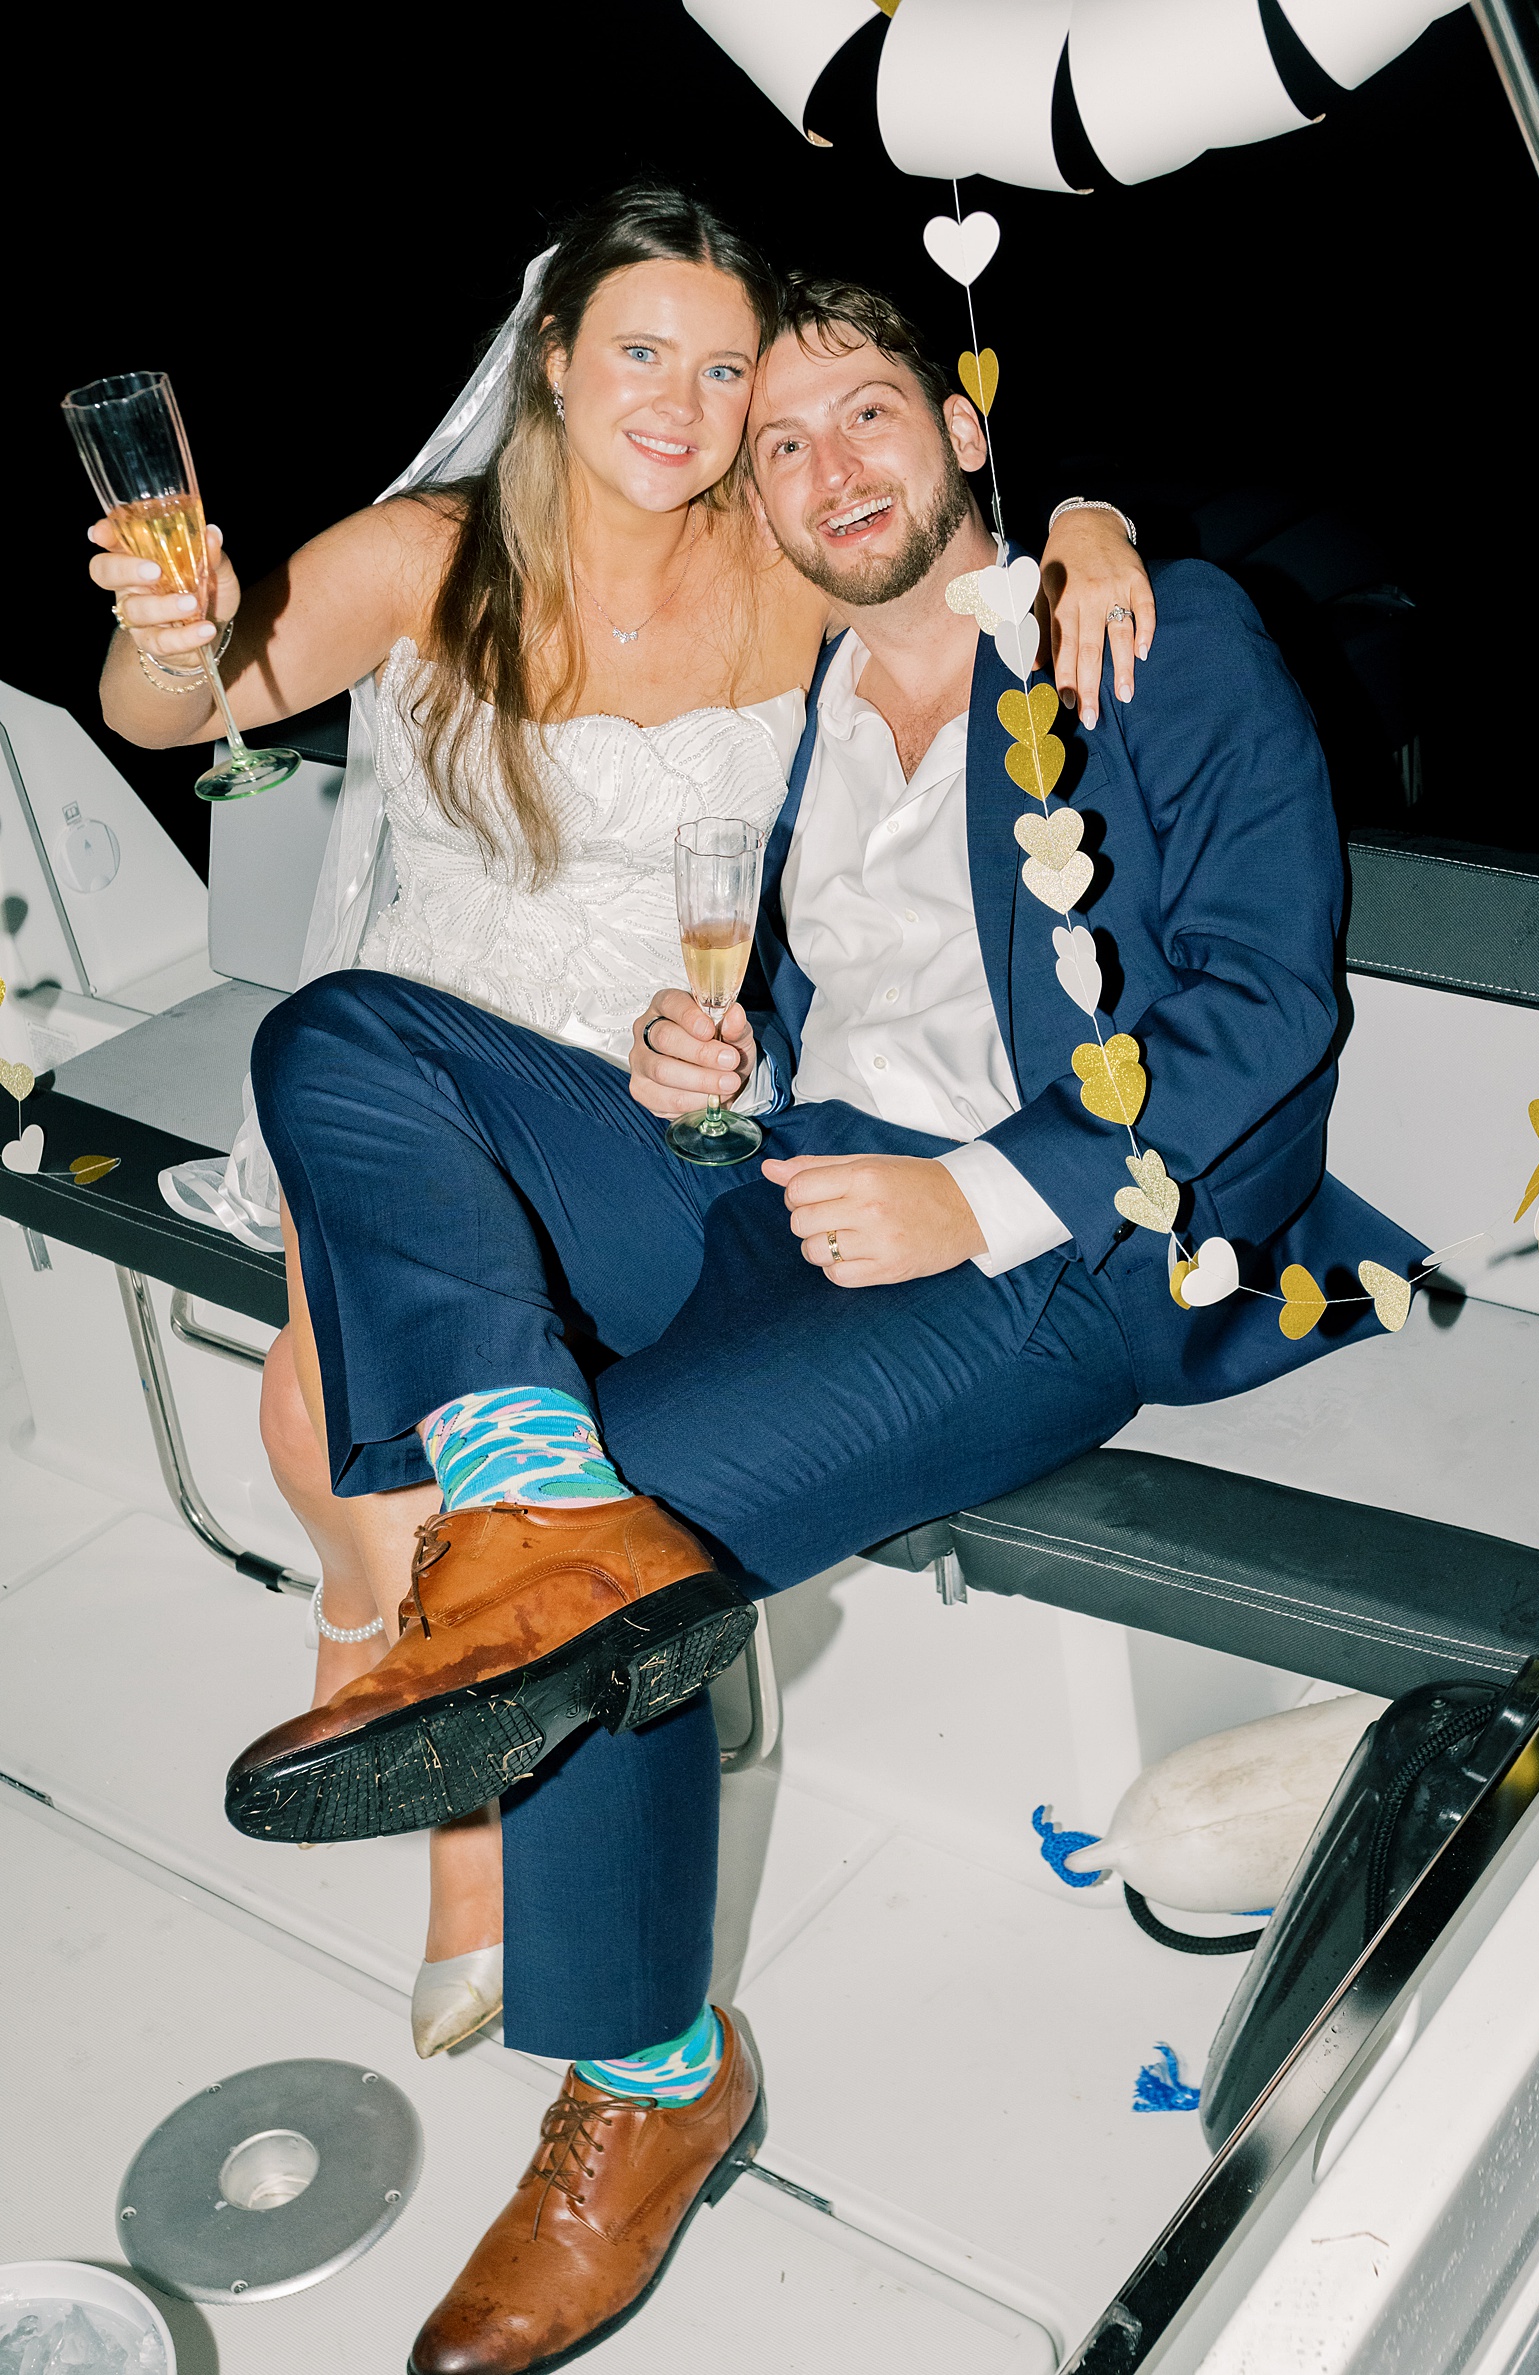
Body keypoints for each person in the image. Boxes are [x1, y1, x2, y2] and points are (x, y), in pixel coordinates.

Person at [224, 269, 1422, 2372]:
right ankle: (512, 1482)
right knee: (347, 1043)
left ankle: (653, 2079)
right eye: (776, 445)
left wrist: (962, 1195)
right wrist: (727, 1070)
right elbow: (833, 1005)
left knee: (637, 1517)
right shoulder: (799, 710)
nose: (818, 468)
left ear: (967, 433)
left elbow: (1258, 1011)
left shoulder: (1133, 630)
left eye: (862, 415)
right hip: (779, 1180)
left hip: (1056, 1252)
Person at [84, 183, 1151, 2059]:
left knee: (376, 1423)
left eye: (726, 367)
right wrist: (174, 635)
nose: (686, 398)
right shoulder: (436, 552)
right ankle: (447, 1767)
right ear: (553, 363)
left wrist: (1089, 518)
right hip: (426, 1084)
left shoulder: (774, 552)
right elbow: (195, 708)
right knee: (332, 1414)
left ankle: (448, 1729)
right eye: (640, 350)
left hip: (674, 1109)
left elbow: (928, 518)